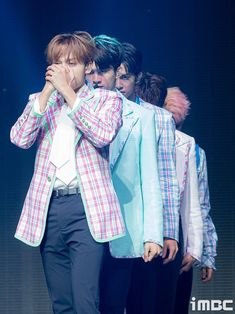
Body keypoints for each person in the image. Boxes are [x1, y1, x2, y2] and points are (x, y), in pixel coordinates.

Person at [10, 31, 125, 314]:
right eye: (58, 63)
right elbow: (20, 138)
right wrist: (49, 92)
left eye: (72, 63)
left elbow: (102, 134)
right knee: (62, 304)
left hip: (85, 209)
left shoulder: (106, 101)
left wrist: (69, 94)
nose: (64, 70)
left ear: (87, 66)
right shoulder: (40, 101)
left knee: (85, 301)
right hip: (49, 209)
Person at [86, 35, 163, 314]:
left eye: (104, 71)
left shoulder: (141, 117)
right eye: (90, 70)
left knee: (113, 303)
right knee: (80, 301)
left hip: (122, 226)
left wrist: (153, 235)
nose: (96, 79)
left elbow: (149, 179)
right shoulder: (75, 110)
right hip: (84, 225)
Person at [115, 44, 180, 314]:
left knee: (142, 301)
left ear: (137, 78)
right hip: (106, 221)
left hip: (143, 224)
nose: (118, 84)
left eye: (125, 77)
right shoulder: (95, 110)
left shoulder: (159, 118)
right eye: (114, 76)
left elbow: (166, 177)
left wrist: (168, 231)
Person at [164, 87, 218, 314]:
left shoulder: (194, 151)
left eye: (176, 125)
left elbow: (201, 204)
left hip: (183, 243)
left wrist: (206, 254)